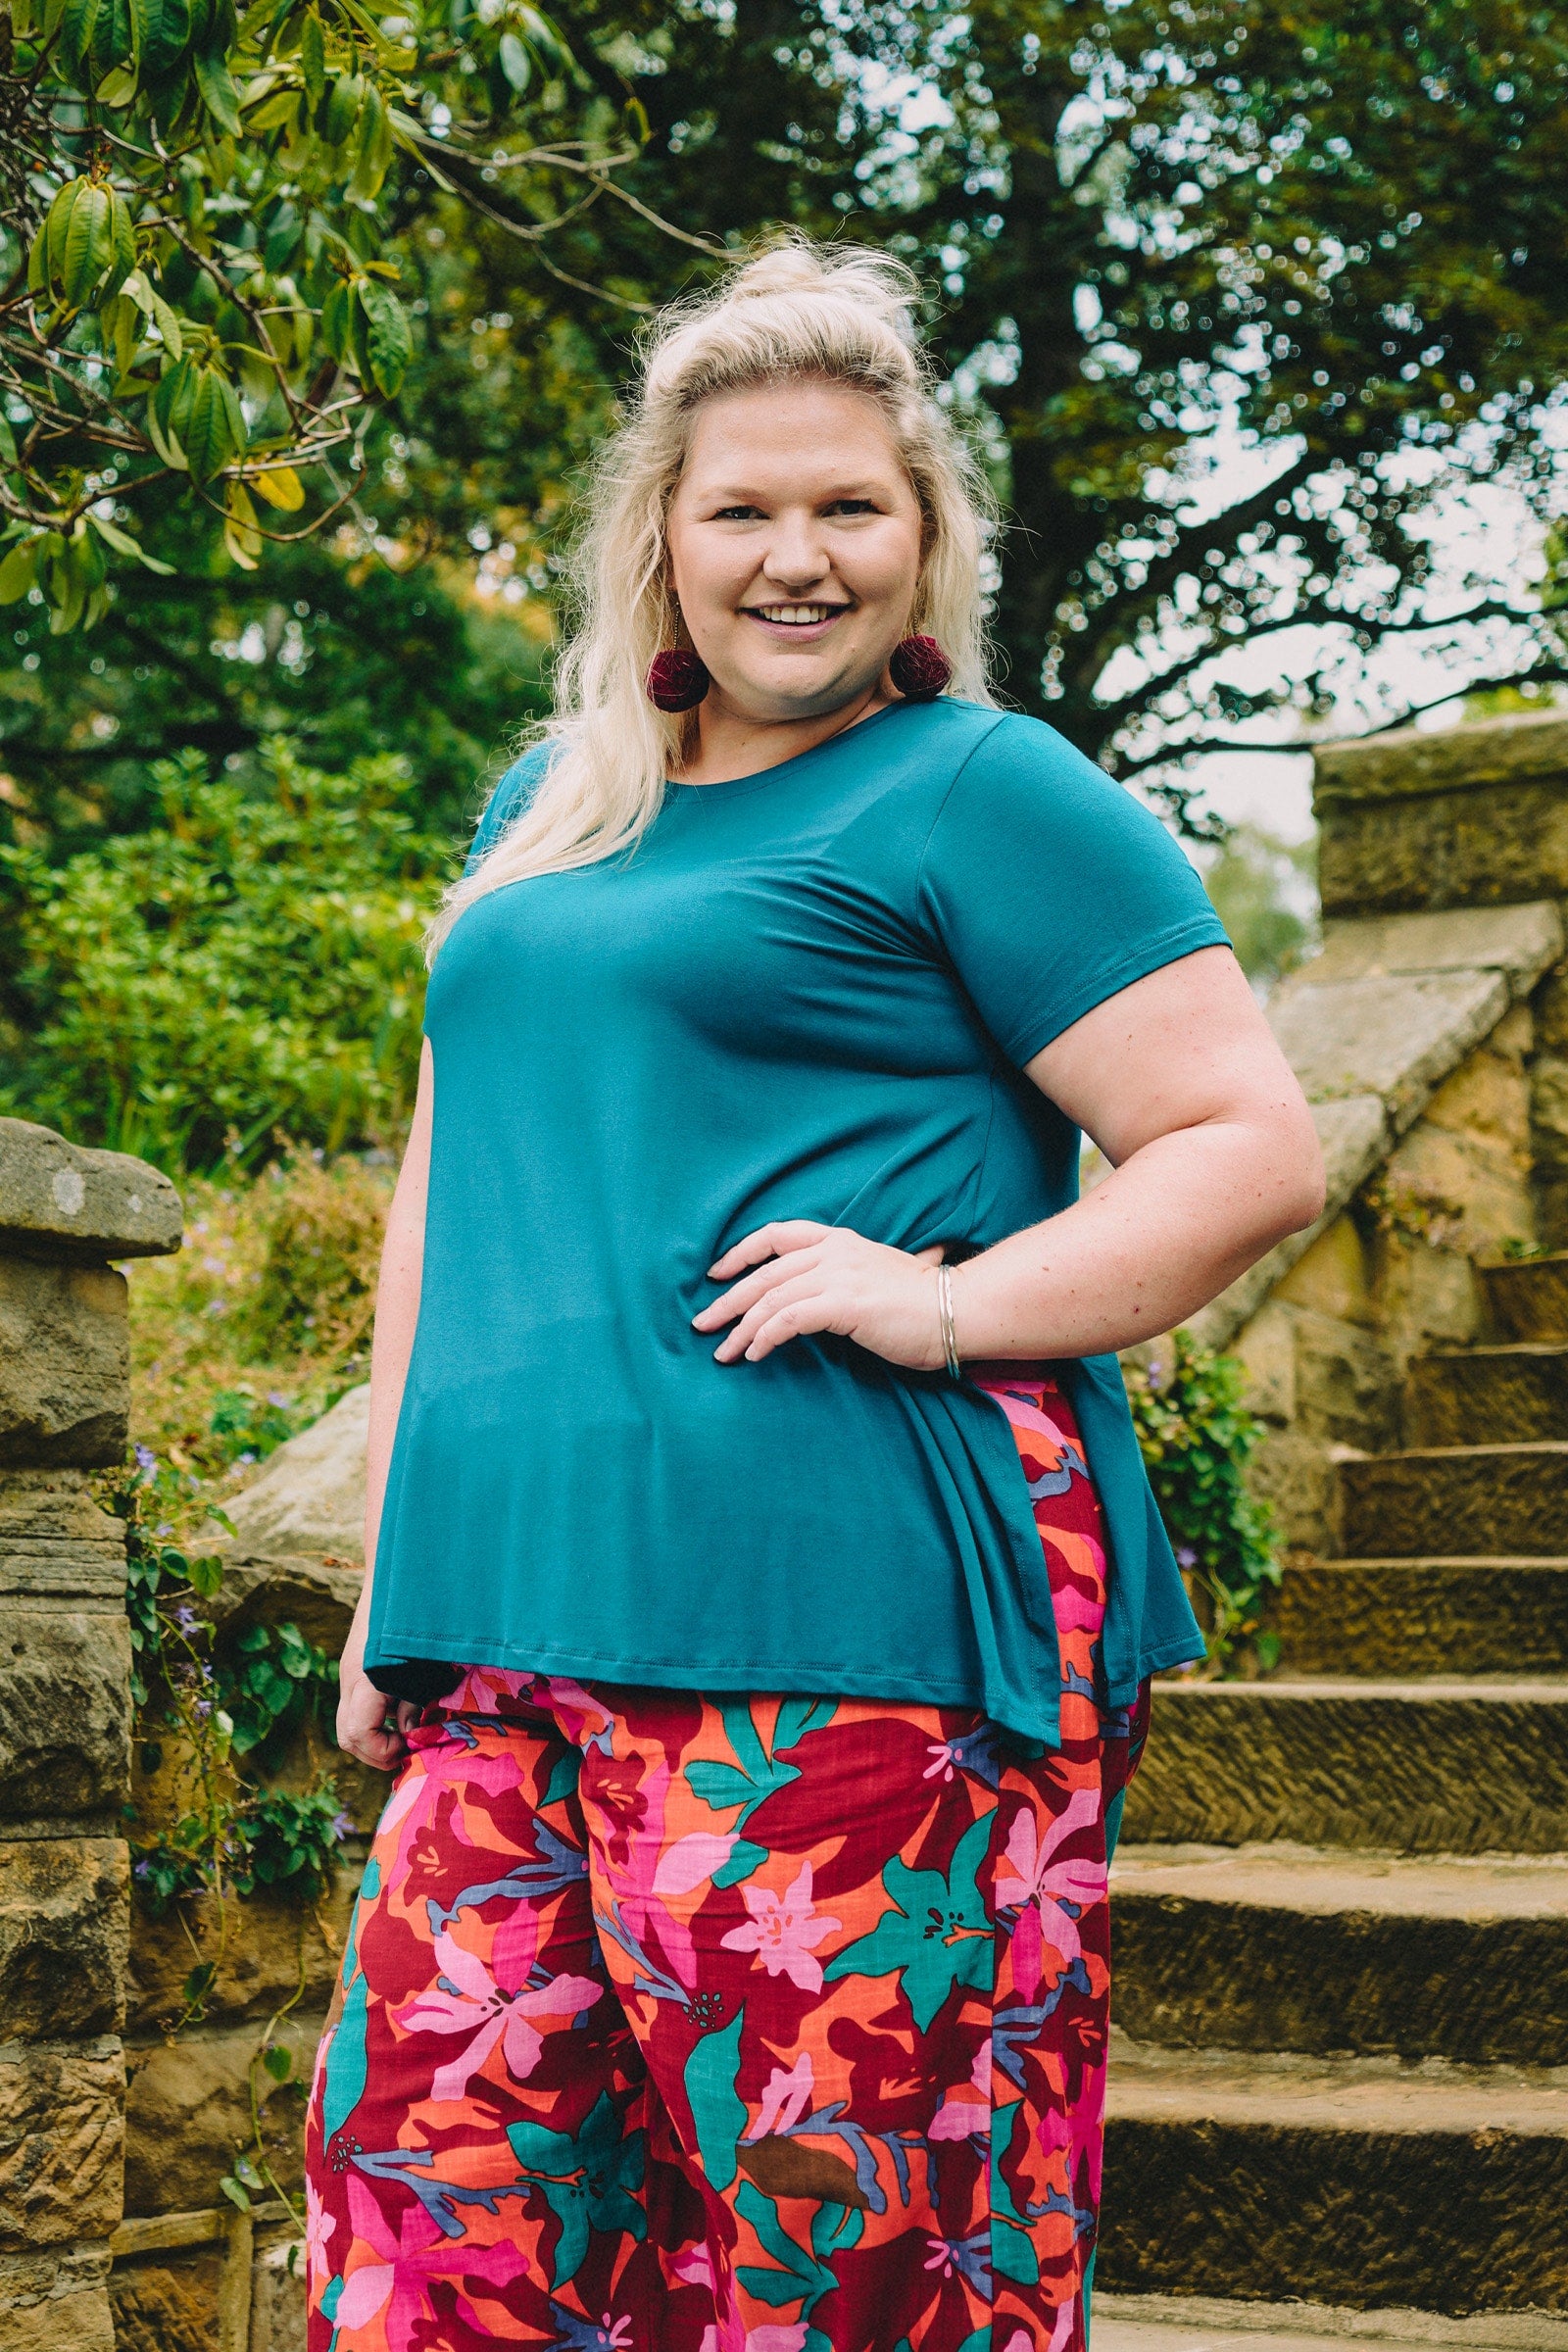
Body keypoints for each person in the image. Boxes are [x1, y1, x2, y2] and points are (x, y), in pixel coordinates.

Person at [305, 238, 1324, 2352]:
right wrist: (393, 1571)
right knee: (439, 2250)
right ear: (659, 542)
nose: (795, 558)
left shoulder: (982, 790)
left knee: (840, 2269)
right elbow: (446, 1192)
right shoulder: (552, 803)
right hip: (509, 1623)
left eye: (850, 506)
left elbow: (1245, 1145)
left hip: (848, 1632)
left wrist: (942, 1304)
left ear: (925, 536)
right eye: (741, 509)